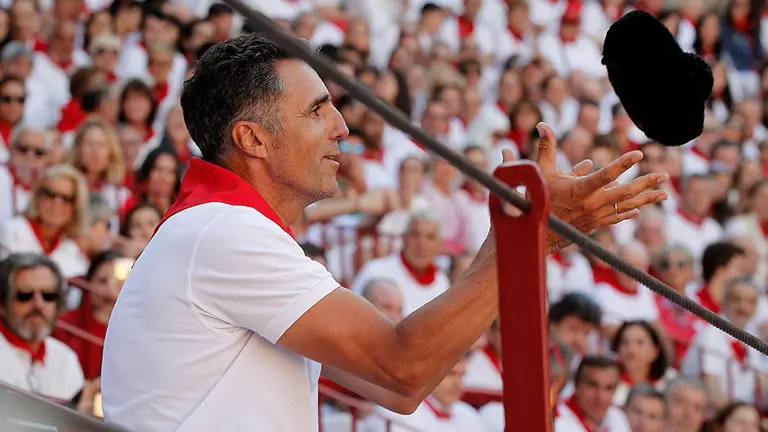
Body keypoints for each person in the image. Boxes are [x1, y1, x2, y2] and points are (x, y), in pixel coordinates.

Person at [101, 33, 668, 431]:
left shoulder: (217, 230)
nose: (342, 126)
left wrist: (519, 237)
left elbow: (400, 387)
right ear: (253, 139)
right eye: (318, 110)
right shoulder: (225, 232)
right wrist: (532, 240)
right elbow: (402, 366)